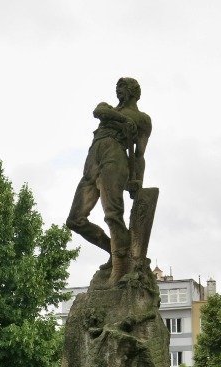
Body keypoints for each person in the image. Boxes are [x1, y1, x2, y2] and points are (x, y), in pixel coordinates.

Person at [66, 77, 152, 283]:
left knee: (113, 214)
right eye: (117, 88)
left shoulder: (142, 119)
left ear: (132, 91)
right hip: (93, 159)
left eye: (121, 88)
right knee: (75, 220)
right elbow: (99, 111)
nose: (118, 92)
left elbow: (139, 154)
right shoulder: (108, 108)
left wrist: (137, 180)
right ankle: (116, 252)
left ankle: (120, 268)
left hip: (115, 157)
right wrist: (124, 122)